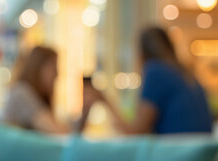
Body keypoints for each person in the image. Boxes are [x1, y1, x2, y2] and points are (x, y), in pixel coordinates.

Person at [84, 27, 213, 134]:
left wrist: (105, 101)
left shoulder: (156, 71)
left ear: (142, 52)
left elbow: (136, 133)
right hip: (201, 155)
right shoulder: (187, 74)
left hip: (176, 155)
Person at [0, 46, 87, 134]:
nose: (57, 75)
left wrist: (86, 109)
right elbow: (58, 132)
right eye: (54, 69)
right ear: (39, 68)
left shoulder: (33, 95)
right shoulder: (21, 93)